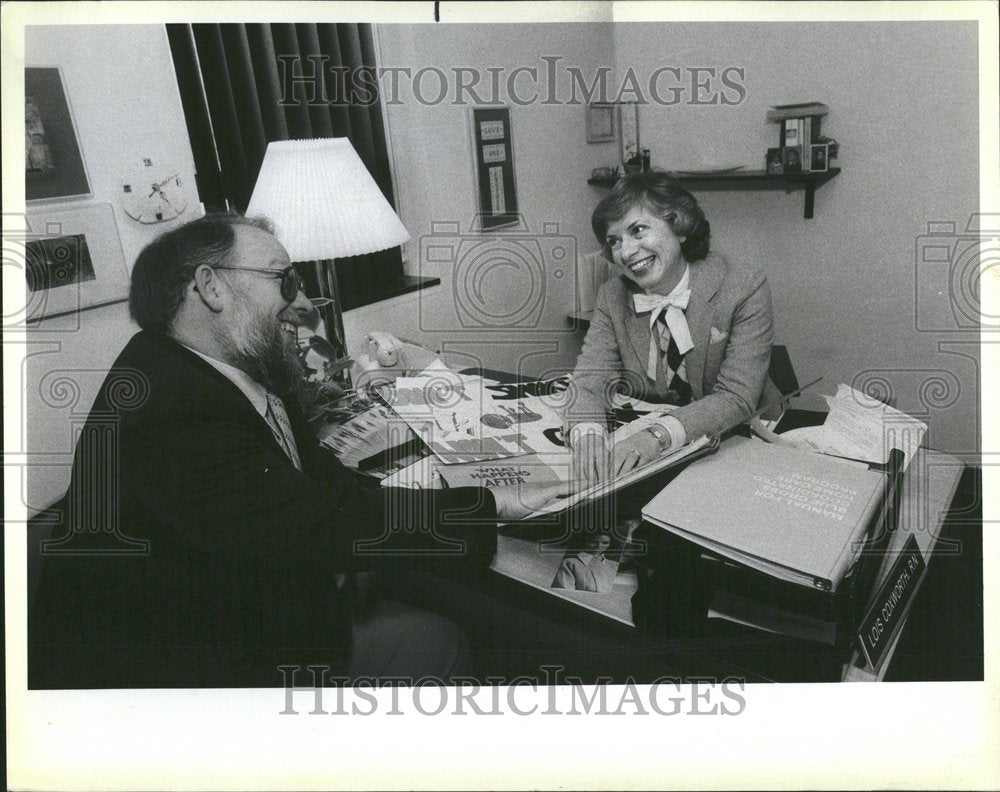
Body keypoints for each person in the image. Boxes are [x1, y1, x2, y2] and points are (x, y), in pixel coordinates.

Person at [28, 213, 569, 688]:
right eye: (284, 280)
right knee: (440, 639)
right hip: (185, 671)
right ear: (211, 288)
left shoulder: (230, 369)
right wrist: (492, 503)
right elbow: (318, 521)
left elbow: (318, 481)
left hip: (233, 609)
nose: (306, 305)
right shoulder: (171, 407)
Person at [566, 170, 780, 484]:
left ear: (679, 227)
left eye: (637, 230)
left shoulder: (743, 285)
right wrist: (587, 437)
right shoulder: (612, 296)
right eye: (614, 241)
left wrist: (656, 437)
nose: (625, 252)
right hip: (659, 458)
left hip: (742, 435)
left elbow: (736, 397)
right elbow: (589, 380)